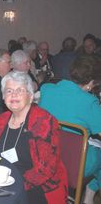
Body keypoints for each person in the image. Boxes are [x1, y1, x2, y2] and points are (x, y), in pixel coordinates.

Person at [0, 71, 68, 203]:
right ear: (3, 97)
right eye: (9, 91)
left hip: (38, 187)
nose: (13, 94)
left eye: (20, 90)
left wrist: (12, 184)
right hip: (5, 181)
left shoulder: (44, 122)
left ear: (31, 96)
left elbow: (45, 170)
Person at [39, 54, 101, 204]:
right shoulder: (90, 102)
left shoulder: (47, 89)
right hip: (77, 163)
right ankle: (89, 196)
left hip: (45, 155)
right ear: (91, 83)